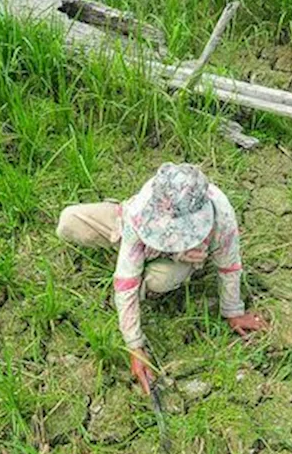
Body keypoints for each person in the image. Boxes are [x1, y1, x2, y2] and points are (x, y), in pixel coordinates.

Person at [56, 162, 268, 393]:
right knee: (69, 220)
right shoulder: (144, 207)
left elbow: (229, 266)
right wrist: (135, 346)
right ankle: (132, 246)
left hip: (182, 258)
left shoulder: (220, 215)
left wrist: (233, 311)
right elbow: (125, 281)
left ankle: (151, 263)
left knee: (159, 280)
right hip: (130, 229)